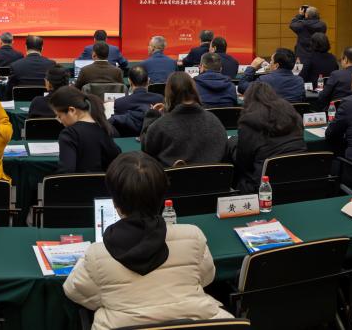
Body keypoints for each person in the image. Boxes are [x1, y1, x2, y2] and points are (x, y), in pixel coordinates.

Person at [64, 152, 232, 330]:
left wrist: (113, 299)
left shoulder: (96, 253)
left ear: (115, 203)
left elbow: (75, 290)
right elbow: (206, 277)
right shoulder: (193, 236)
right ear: (162, 198)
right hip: (200, 321)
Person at [232, 82, 307, 192]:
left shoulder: (247, 122)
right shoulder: (292, 112)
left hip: (263, 186)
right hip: (301, 179)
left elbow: (243, 163)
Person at [141, 72, 228, 166]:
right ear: (194, 91)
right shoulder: (215, 121)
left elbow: (146, 148)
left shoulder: (160, 126)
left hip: (171, 175)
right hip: (213, 175)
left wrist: (152, 115)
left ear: (169, 95)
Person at [49, 86, 120, 173]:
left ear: (72, 110)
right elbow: (116, 157)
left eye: (59, 116)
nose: (59, 121)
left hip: (78, 182)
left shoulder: (69, 134)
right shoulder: (104, 128)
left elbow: (66, 171)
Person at [108, 66, 163, 137]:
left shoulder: (120, 103)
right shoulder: (160, 99)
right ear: (148, 80)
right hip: (152, 139)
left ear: (129, 81)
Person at [237, 48, 305, 102]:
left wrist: (252, 67)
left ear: (276, 65)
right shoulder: (299, 81)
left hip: (270, 115)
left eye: (271, 61)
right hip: (291, 115)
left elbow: (241, 87)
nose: (270, 63)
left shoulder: (264, 80)